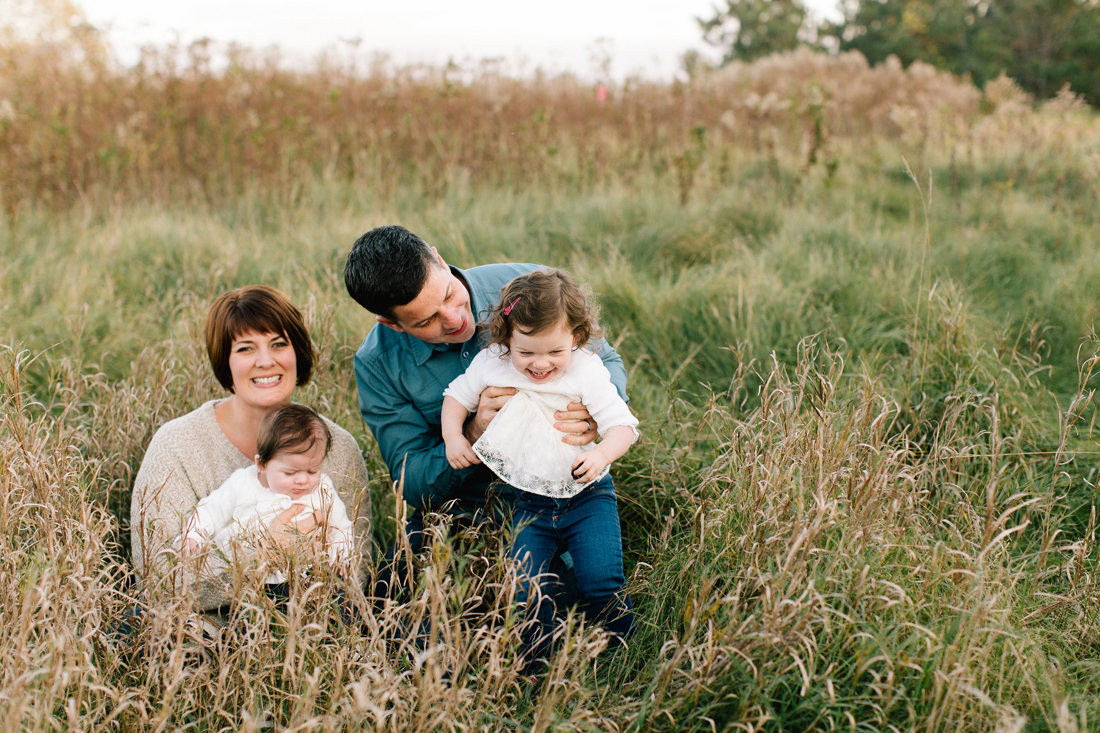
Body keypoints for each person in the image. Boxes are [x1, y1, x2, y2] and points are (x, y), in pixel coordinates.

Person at [343, 225, 629, 598]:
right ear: (393, 324)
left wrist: (593, 419)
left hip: (564, 489)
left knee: (592, 587)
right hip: (467, 512)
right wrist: (474, 431)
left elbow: (605, 359)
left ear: (439, 259)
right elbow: (411, 481)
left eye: (449, 295)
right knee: (394, 602)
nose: (454, 319)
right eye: (427, 321)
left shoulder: (528, 288)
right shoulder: (377, 363)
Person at [440, 268, 637, 665]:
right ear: (505, 338)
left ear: (576, 339)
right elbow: (456, 396)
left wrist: (601, 454)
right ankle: (535, 661)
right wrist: (454, 437)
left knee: (601, 580)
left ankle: (623, 650)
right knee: (524, 588)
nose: (540, 364)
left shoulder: (586, 370)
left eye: (554, 352)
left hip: (587, 495)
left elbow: (624, 427)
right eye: (525, 352)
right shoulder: (492, 362)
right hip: (529, 499)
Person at [131, 285, 370, 611]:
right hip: (204, 632)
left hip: (309, 627)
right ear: (224, 363)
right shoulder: (177, 446)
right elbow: (159, 581)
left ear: (297, 353)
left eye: (278, 344)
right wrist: (264, 553)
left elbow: (357, 569)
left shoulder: (337, 447)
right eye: (245, 349)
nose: (265, 361)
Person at [177, 404, 355, 584]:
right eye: (290, 473)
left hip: (308, 580)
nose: (302, 480)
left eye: (312, 471)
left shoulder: (323, 489)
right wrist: (193, 536)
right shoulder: (243, 483)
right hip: (251, 582)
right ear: (261, 464)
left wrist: (341, 561)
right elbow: (212, 510)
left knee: (340, 604)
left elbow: (342, 528)